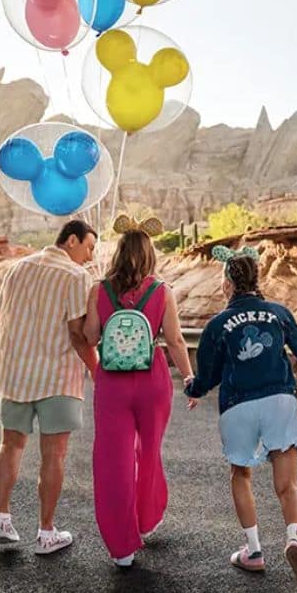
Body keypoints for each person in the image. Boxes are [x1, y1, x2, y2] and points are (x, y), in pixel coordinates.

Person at [185, 245, 297, 593]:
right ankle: (295, 537)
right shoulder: (277, 312)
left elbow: (207, 374)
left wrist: (194, 387)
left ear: (227, 284)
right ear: (256, 280)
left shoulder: (218, 323)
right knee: (288, 485)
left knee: (241, 473)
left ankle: (253, 551)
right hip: (279, 399)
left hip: (238, 405)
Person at [82, 215, 195, 567]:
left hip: (112, 385)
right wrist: (191, 379)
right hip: (153, 383)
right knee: (149, 453)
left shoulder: (98, 290)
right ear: (149, 256)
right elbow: (174, 340)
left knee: (112, 461)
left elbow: (89, 337)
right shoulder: (162, 291)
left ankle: (122, 547)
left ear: (118, 253)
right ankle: (146, 520)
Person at [0, 220, 98, 555]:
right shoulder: (76, 277)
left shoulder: (17, 269)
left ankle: (1, 519)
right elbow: (77, 334)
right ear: (72, 240)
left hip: (15, 374)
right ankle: (46, 533)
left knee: (10, 445)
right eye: (89, 247)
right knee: (54, 455)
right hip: (57, 377)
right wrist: (97, 370)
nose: (90, 257)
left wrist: (8, 357)